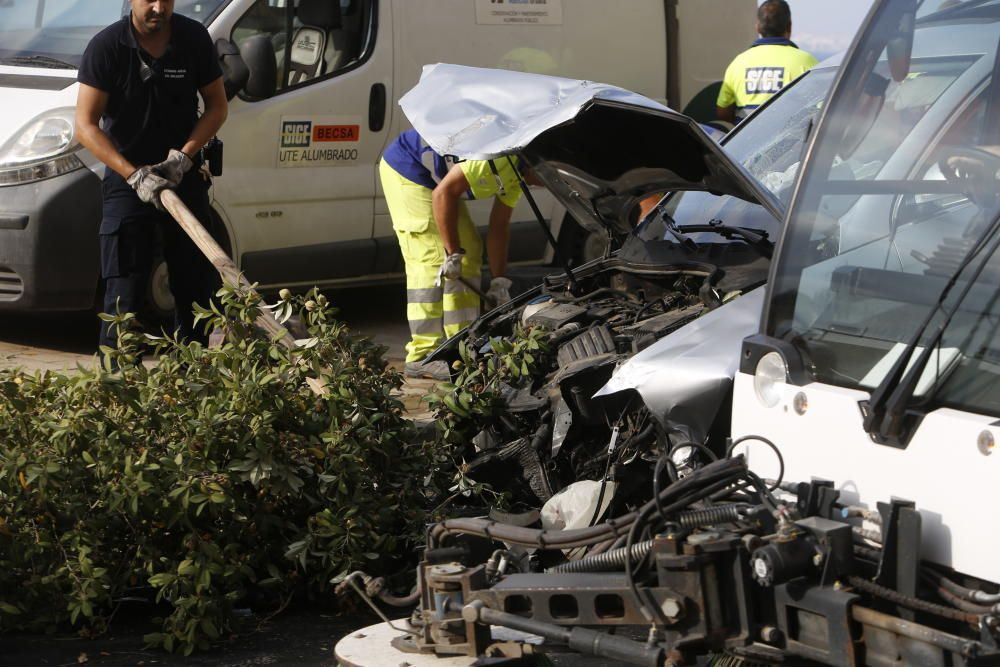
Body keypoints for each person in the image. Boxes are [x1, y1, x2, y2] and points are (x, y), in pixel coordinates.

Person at [75, 0, 228, 359]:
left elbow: (217, 107)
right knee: (122, 292)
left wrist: (183, 157)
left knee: (195, 286)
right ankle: (118, 382)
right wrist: (134, 174)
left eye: (167, 0)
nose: (159, 7)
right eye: (150, 0)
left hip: (181, 177)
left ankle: (190, 380)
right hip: (129, 182)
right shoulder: (108, 46)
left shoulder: (192, 38)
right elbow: (85, 126)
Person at [380, 129, 533, 381]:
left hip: (437, 181)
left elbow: (499, 228)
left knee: (470, 247)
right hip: (406, 168)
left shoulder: (517, 177)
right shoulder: (494, 158)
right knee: (431, 256)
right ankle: (423, 355)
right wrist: (451, 254)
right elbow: (443, 194)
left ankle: (460, 345)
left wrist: (499, 280)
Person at [716, 0, 817, 124]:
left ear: (757, 27)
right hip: (791, 142)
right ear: (789, 26)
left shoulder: (738, 63)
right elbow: (821, 108)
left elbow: (723, 112)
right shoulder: (806, 62)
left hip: (745, 142)